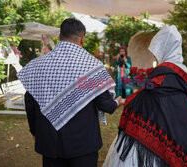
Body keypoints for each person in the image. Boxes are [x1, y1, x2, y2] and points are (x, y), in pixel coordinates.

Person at [103, 25, 187, 167]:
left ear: (163, 50)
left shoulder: (160, 80)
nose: (154, 56)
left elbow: (143, 99)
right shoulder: (179, 79)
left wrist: (131, 98)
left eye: (156, 52)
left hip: (151, 135)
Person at [17, 18, 124, 167]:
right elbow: (106, 105)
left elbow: (29, 100)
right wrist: (117, 102)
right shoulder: (91, 67)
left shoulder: (37, 65)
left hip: (49, 142)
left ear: (60, 36)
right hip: (83, 144)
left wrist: (35, 131)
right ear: (82, 39)